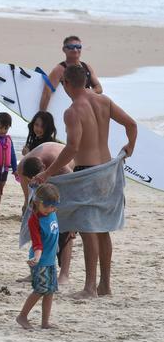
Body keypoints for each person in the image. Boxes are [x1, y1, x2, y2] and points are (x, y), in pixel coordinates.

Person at [33, 65, 137, 298]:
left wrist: (48, 172)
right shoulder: (104, 100)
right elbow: (132, 124)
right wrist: (130, 147)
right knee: (103, 229)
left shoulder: (72, 111)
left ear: (66, 84)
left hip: (88, 172)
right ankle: (105, 286)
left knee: (88, 229)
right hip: (108, 170)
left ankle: (90, 287)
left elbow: (72, 148)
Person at [17, 144, 74, 285]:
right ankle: (35, 271)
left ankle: (64, 274)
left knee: (65, 230)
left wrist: (73, 218)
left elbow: (74, 187)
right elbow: (29, 193)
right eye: (32, 180)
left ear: (43, 167)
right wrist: (27, 205)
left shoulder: (60, 165)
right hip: (46, 184)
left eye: (38, 178)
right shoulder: (22, 167)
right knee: (38, 228)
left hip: (68, 179)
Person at [16, 184, 60, 330]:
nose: (51, 209)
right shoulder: (34, 220)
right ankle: (22, 316)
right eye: (47, 205)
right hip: (39, 260)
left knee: (50, 291)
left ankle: (45, 322)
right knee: (40, 290)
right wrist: (37, 257)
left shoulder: (52, 213)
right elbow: (37, 242)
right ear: (37, 202)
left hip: (50, 260)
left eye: (54, 205)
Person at [39, 36, 102, 112]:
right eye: (71, 47)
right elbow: (47, 92)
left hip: (87, 109)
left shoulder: (86, 67)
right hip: (70, 110)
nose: (75, 50)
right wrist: (41, 114)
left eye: (78, 47)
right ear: (64, 49)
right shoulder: (60, 69)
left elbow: (99, 88)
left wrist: (87, 92)